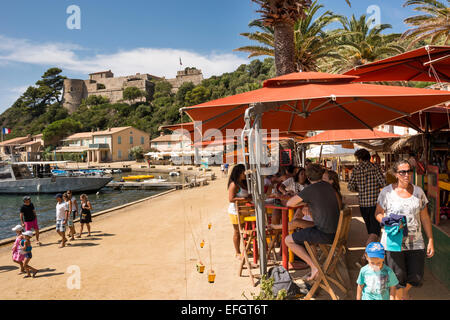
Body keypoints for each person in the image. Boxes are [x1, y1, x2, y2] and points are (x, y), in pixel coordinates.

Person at [375, 159, 434, 300]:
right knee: (397, 278)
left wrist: (430, 239)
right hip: (394, 242)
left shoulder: (418, 192)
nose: (407, 175)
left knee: (416, 276)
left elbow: (425, 217)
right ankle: (400, 296)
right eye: (403, 172)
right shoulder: (387, 192)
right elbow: (378, 213)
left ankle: (403, 294)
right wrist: (387, 221)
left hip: (416, 242)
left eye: (409, 171)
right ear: (396, 174)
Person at [283, 164, 340, 281]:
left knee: (288, 240)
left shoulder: (310, 189)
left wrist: (304, 202)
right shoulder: (328, 186)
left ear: (308, 178)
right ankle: (315, 268)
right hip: (335, 232)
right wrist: (308, 203)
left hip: (324, 234)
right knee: (309, 238)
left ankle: (314, 267)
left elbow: (289, 203)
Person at [348, 148, 385, 262]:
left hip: (363, 205)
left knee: (371, 232)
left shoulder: (356, 169)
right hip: (375, 204)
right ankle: (365, 255)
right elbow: (383, 183)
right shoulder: (375, 167)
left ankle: (372, 255)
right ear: (369, 157)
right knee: (374, 232)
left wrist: (360, 188)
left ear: (359, 158)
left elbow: (350, 187)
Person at [227, 164, 251, 258]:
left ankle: (247, 249)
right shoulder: (233, 184)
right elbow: (231, 199)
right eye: (243, 172)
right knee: (237, 232)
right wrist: (245, 199)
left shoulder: (244, 182)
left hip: (244, 210)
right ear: (239, 173)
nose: (245, 174)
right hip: (235, 211)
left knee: (246, 230)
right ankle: (237, 252)